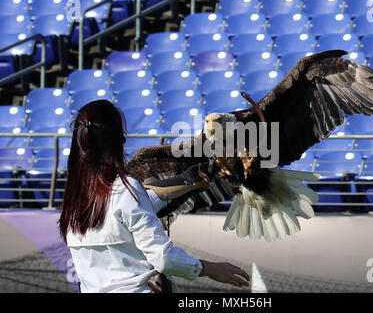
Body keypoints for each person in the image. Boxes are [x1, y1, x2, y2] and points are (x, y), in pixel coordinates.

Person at [58, 100, 250, 293]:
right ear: (118, 140)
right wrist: (211, 268)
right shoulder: (125, 190)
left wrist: (192, 178)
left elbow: (134, 207)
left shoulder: (74, 198)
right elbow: (164, 258)